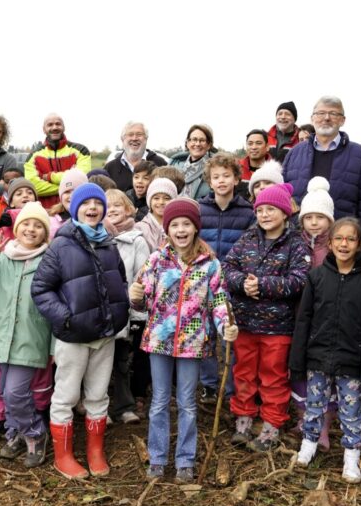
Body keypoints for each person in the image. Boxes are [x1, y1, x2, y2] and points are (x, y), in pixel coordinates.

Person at [129, 198, 237, 483]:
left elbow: (220, 301)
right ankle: (158, 457)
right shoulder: (155, 260)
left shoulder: (211, 264)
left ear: (195, 228)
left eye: (186, 224)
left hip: (193, 343)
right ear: (167, 229)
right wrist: (135, 298)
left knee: (188, 402)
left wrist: (226, 325)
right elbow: (142, 303)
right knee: (160, 400)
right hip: (159, 342)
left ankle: (185, 460)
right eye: (174, 224)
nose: (180, 229)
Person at [32, 183, 129, 480]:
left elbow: (120, 283)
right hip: (73, 336)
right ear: (75, 209)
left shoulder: (109, 245)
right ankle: (63, 456)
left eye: (97, 204)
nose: (92, 208)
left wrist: (119, 312)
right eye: (85, 204)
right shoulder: (61, 246)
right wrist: (67, 318)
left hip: (105, 334)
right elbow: (41, 288)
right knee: (66, 395)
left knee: (98, 395)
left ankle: (95, 451)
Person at [291, 218, 361, 483]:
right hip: (318, 356)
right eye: (339, 238)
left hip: (351, 360)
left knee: (350, 411)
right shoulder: (317, 276)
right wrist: (298, 360)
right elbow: (304, 320)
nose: (344, 244)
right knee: (314, 404)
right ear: (330, 243)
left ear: (359, 244)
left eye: (350, 239)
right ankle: (308, 445)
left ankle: (351, 456)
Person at [223, 183, 310, 452]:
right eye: (260, 210)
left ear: (285, 213)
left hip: (278, 326)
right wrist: (241, 284)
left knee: (273, 376)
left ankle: (272, 424)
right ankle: (244, 418)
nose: (265, 215)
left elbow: (300, 280)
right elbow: (227, 267)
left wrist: (262, 285)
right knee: (244, 373)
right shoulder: (248, 239)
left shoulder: (296, 244)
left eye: (271, 209)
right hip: (245, 322)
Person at [0, 202, 54, 468]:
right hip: (2, 338)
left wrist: (53, 346)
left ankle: (35, 434)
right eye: (26, 224)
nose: (31, 229)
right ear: (16, 229)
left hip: (31, 340)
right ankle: (16, 433)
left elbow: (55, 306)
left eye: (38, 226)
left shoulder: (49, 261)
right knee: (7, 394)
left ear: (45, 233)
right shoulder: (3, 256)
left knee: (17, 394)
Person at [282, 96, 361, 245]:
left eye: (333, 114)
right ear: (312, 118)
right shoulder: (294, 153)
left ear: (342, 120)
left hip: (342, 246)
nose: (326, 118)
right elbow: (283, 199)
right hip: (297, 243)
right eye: (320, 113)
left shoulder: (359, 155)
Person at [197, 153, 255, 402]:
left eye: (226, 176)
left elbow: (252, 246)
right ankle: (209, 385)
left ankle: (229, 387)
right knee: (206, 334)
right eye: (216, 177)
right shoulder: (200, 209)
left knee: (230, 336)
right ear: (209, 181)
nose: (221, 181)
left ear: (236, 179)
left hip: (233, 283)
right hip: (203, 282)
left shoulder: (247, 212)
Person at [290, 177, 338, 444]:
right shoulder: (296, 243)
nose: (315, 222)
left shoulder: (334, 247)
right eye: (309, 217)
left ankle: (324, 424)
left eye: (321, 217)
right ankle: (302, 417)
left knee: (325, 371)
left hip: (327, 319)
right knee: (299, 368)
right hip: (298, 316)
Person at [103, 189, 151, 425]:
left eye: (117, 205)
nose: (112, 209)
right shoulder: (97, 237)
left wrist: (136, 313)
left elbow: (142, 279)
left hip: (124, 311)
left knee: (122, 361)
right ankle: (99, 406)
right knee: (99, 364)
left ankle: (124, 406)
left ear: (129, 209)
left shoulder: (137, 240)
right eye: (107, 205)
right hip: (101, 312)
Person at [24, 113, 93, 208]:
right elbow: (33, 187)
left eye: (58, 124)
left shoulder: (81, 150)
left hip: (75, 210)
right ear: (44, 129)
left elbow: (82, 179)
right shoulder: (33, 156)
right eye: (50, 125)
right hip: (45, 212)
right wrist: (68, 187)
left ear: (64, 127)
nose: (54, 127)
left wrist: (49, 177)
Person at [105, 122, 168, 193]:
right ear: (122, 139)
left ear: (146, 139)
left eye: (139, 134)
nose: (134, 138)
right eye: (130, 135)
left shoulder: (160, 164)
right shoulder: (110, 168)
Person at [170, 125, 214, 199]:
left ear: (209, 145)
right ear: (187, 143)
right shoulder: (174, 164)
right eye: (194, 139)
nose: (197, 144)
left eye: (202, 140)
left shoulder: (213, 168)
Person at [137, 177, 178, 252]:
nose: (161, 202)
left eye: (166, 198)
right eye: (156, 198)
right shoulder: (140, 228)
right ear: (149, 201)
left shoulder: (180, 226)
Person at [239, 129, 270, 198]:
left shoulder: (275, 171)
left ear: (267, 147)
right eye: (250, 144)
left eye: (258, 143)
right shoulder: (236, 169)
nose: (254, 147)